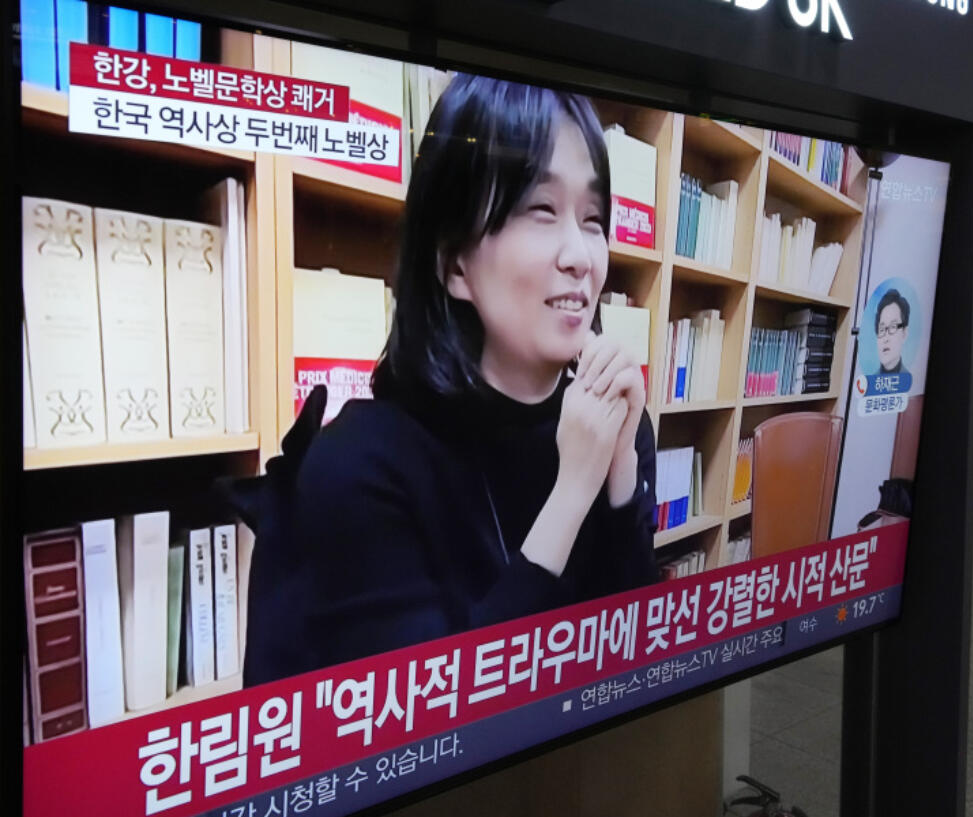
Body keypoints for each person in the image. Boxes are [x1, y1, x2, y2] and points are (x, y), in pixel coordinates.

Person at [238, 75, 659, 686]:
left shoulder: (613, 422)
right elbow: (433, 724)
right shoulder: (357, 467)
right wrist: (572, 493)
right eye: (541, 210)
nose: (581, 256)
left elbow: (637, 669)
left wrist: (619, 476)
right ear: (454, 263)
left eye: (593, 218)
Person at [876, 288, 910, 375]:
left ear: (904, 333)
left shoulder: (908, 379)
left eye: (892, 327)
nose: (885, 338)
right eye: (882, 329)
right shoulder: (870, 381)